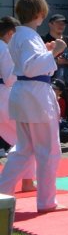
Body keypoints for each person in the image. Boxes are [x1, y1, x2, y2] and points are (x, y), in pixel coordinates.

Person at [0, 0, 68, 211]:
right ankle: (47, 201)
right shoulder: (28, 36)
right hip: (34, 94)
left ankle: (3, 192)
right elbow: (31, 67)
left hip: (24, 93)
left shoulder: (19, 35)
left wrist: (47, 53)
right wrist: (55, 53)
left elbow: (27, 64)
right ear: (40, 14)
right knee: (48, 150)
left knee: (23, 149)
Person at [43, 13, 68, 88]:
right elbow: (39, 61)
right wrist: (56, 61)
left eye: (63, 24)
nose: (61, 26)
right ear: (50, 24)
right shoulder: (43, 40)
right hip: (49, 82)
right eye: (58, 23)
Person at [0, 17, 18, 154]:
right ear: (11, 33)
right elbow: (10, 79)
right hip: (3, 95)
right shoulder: (5, 48)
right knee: (21, 138)